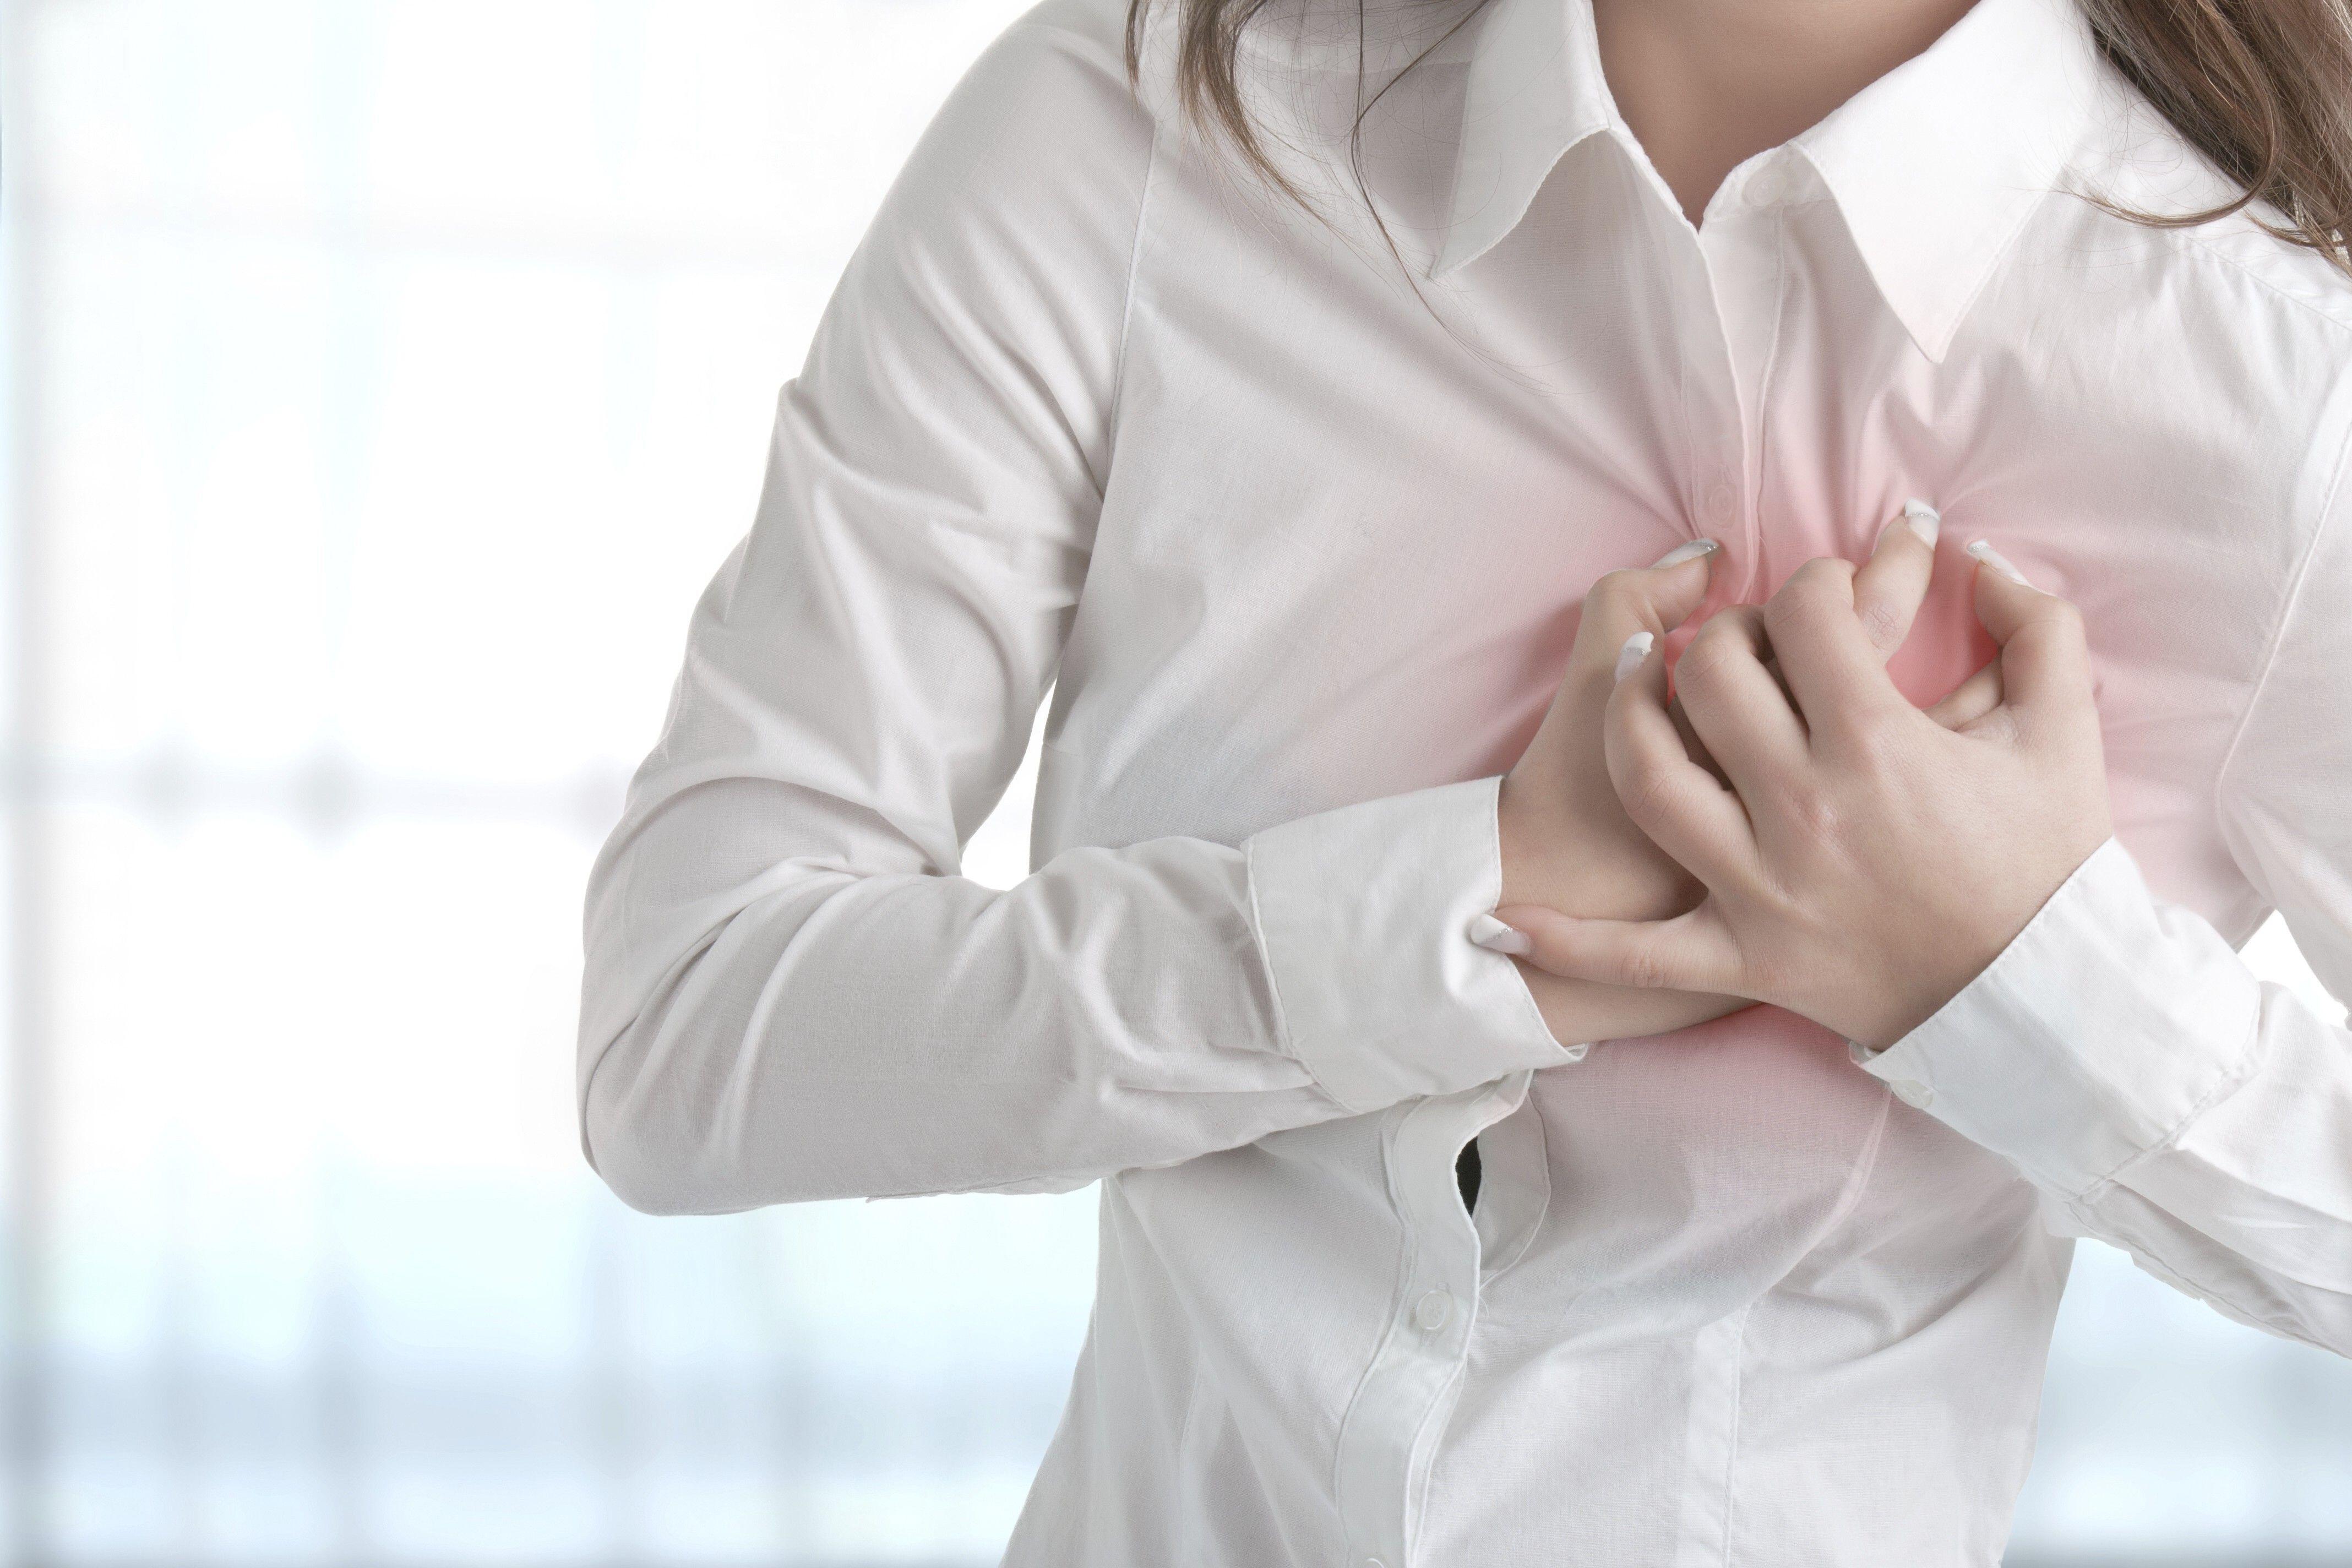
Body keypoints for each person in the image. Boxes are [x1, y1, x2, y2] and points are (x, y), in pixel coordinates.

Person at [573, 0, 2352, 1555]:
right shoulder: (1132, 142)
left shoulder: (2280, 391)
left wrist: (2021, 977)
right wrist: (1470, 908)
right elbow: (686, 1024)